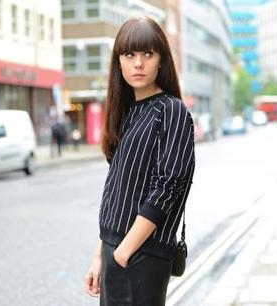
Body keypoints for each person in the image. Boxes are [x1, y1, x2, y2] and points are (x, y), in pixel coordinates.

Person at [84, 16, 196, 306]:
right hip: (115, 249)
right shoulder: (127, 114)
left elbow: (167, 187)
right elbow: (119, 192)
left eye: (148, 54)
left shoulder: (172, 111)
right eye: (129, 54)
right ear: (118, 62)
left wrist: (124, 252)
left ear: (161, 60)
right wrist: (101, 254)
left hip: (140, 254)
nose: (138, 63)